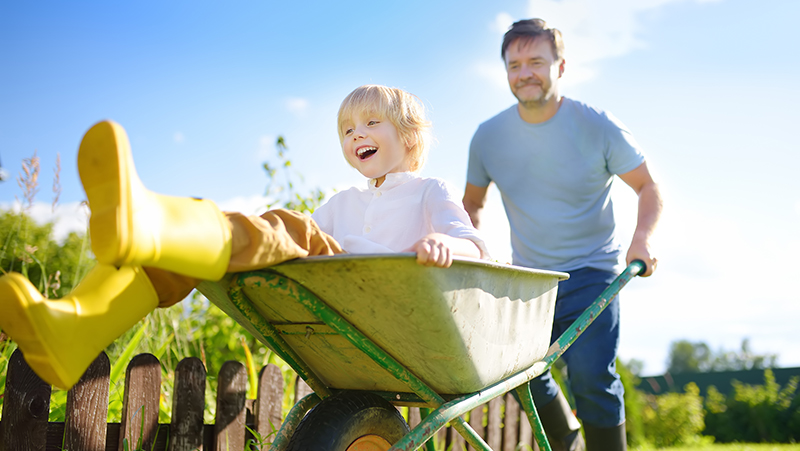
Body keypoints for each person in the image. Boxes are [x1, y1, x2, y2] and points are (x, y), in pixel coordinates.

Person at [0, 84, 487, 390]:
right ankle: (74, 329)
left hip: (396, 309)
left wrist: (447, 246)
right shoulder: (342, 203)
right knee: (232, 240)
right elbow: (279, 240)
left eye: (371, 122)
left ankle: (151, 223)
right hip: (344, 309)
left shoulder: (430, 189)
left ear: (410, 137)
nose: (355, 134)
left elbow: (475, 245)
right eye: (346, 129)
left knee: (289, 225)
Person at [462, 19, 662, 451]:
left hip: (593, 273)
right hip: (530, 281)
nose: (525, 73)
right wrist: (468, 250)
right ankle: (566, 439)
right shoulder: (488, 137)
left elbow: (648, 186)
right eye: (514, 65)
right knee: (517, 373)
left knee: (592, 377)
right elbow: (471, 206)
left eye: (536, 61)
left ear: (561, 66)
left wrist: (642, 237)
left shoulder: (597, 125)